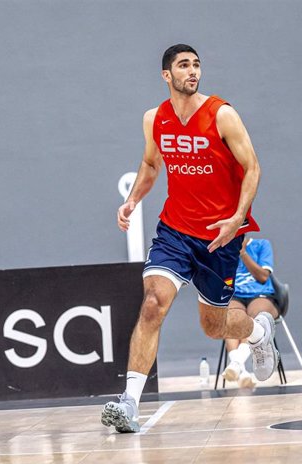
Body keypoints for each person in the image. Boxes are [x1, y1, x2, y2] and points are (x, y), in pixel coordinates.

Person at [100, 44, 278, 433]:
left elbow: (253, 168)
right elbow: (150, 164)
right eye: (184, 65)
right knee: (152, 303)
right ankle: (129, 403)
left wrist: (237, 218)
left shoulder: (222, 115)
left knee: (213, 326)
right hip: (175, 231)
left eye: (196, 65)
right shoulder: (155, 119)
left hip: (219, 236)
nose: (192, 71)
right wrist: (131, 201)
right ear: (167, 75)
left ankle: (261, 331)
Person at [221, 236, 279, 388]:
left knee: (254, 319)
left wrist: (243, 253)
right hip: (236, 295)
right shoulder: (224, 248)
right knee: (232, 319)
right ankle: (242, 371)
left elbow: (263, 276)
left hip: (260, 294)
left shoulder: (261, 245)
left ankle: (236, 364)